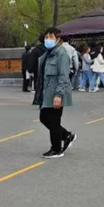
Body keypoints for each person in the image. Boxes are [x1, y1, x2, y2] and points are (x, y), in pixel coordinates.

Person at [33, 27, 75, 158]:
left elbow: (63, 76)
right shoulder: (47, 54)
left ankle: (56, 149)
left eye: (51, 37)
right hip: (47, 93)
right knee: (44, 118)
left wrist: (58, 95)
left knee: (54, 120)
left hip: (56, 92)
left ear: (58, 39)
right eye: (46, 37)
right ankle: (66, 135)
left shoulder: (61, 54)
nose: (48, 40)